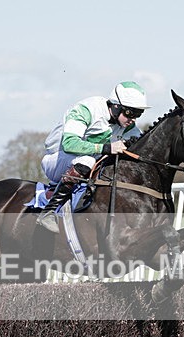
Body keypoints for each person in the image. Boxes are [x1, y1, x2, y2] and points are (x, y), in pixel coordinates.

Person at [37, 81, 151, 233]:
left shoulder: (128, 125)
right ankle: (48, 211)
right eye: (130, 113)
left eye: (138, 114)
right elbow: (69, 144)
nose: (134, 119)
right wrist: (107, 148)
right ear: (115, 106)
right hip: (58, 158)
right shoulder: (87, 110)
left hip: (87, 167)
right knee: (87, 160)